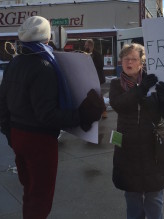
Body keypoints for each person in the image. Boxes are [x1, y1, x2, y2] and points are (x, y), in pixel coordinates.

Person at [0, 16, 105, 219]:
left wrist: (9, 133)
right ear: (46, 38)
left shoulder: (14, 63)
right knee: (40, 196)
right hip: (38, 140)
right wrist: (80, 116)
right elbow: (47, 115)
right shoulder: (44, 65)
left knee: (29, 190)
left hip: (18, 135)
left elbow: (2, 103)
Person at [109, 43, 164, 219]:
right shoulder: (116, 85)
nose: (129, 62)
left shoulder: (154, 84)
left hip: (154, 150)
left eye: (133, 59)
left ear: (141, 63)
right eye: (125, 59)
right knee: (132, 198)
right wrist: (140, 89)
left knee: (154, 198)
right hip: (128, 149)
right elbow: (119, 104)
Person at [84, 39, 108, 118]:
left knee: (98, 94)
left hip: (97, 78)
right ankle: (94, 110)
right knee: (90, 94)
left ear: (90, 46)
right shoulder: (85, 54)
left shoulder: (97, 54)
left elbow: (100, 65)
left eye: (86, 45)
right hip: (89, 77)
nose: (85, 46)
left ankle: (103, 110)